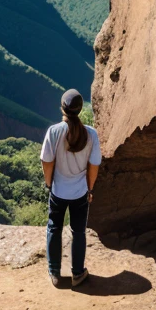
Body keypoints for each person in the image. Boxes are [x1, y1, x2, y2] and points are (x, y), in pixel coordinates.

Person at [40, 88, 101, 288]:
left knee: (54, 227)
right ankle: (77, 273)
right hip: (80, 192)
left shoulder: (54, 131)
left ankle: (54, 272)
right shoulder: (91, 134)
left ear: (63, 108)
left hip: (58, 190)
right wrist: (90, 189)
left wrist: (49, 183)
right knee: (79, 232)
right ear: (80, 109)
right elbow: (93, 166)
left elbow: (47, 162)